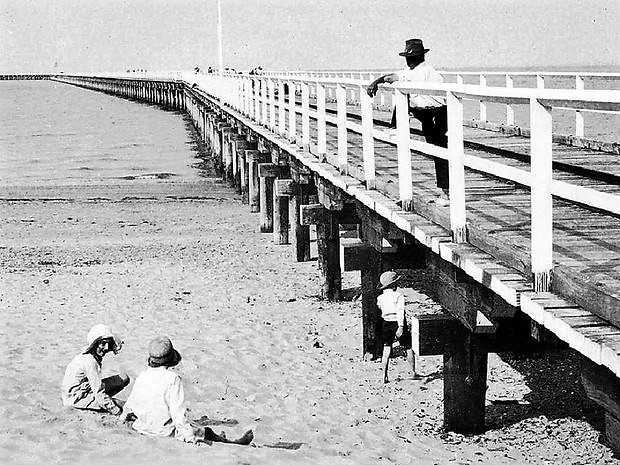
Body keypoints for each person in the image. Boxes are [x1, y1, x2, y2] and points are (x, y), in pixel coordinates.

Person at [123, 336, 254, 446]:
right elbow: (177, 414)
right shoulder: (172, 379)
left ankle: (220, 437)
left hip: (142, 427)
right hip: (162, 432)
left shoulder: (142, 375)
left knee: (194, 425)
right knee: (204, 431)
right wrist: (189, 438)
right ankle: (232, 443)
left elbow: (130, 404)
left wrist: (125, 418)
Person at [367, 38, 449, 205]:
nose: (407, 60)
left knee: (441, 152)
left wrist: (376, 82)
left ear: (414, 58)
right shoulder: (412, 70)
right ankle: (395, 126)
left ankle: (447, 193)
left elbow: (393, 77)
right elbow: (393, 77)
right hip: (424, 111)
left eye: (409, 57)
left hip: (437, 113)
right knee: (402, 98)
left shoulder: (422, 72)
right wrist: (376, 82)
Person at [61, 324, 130, 415]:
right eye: (103, 343)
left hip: (85, 389)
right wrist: (117, 411)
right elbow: (98, 391)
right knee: (123, 406)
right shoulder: (90, 362)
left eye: (108, 344)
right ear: (95, 343)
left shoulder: (90, 356)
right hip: (77, 399)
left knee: (123, 378)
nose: (106, 347)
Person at [376, 271, 417, 384]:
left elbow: (380, 308)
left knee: (386, 349)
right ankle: (412, 372)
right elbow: (400, 312)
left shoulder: (380, 297)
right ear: (394, 284)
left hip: (386, 323)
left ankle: (384, 375)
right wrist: (401, 326)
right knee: (408, 347)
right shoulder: (398, 296)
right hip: (397, 322)